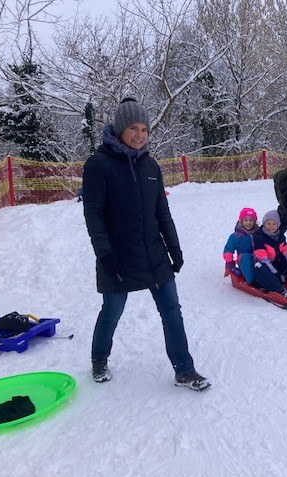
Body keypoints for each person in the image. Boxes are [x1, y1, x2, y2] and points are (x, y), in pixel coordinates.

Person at [82, 97, 210, 391]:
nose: (140, 135)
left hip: (154, 253)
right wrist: (105, 255)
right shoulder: (99, 165)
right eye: (133, 128)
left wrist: (174, 248)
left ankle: (184, 370)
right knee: (112, 311)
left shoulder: (150, 165)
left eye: (144, 129)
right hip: (118, 255)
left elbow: (161, 211)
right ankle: (99, 359)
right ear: (120, 129)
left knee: (172, 310)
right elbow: (94, 215)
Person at [223, 207, 259, 284]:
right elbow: (228, 250)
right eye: (245, 220)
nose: (248, 223)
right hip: (244, 261)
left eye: (251, 220)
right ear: (241, 221)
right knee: (246, 257)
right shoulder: (236, 236)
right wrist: (230, 264)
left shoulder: (258, 233)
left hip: (258, 258)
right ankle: (252, 281)